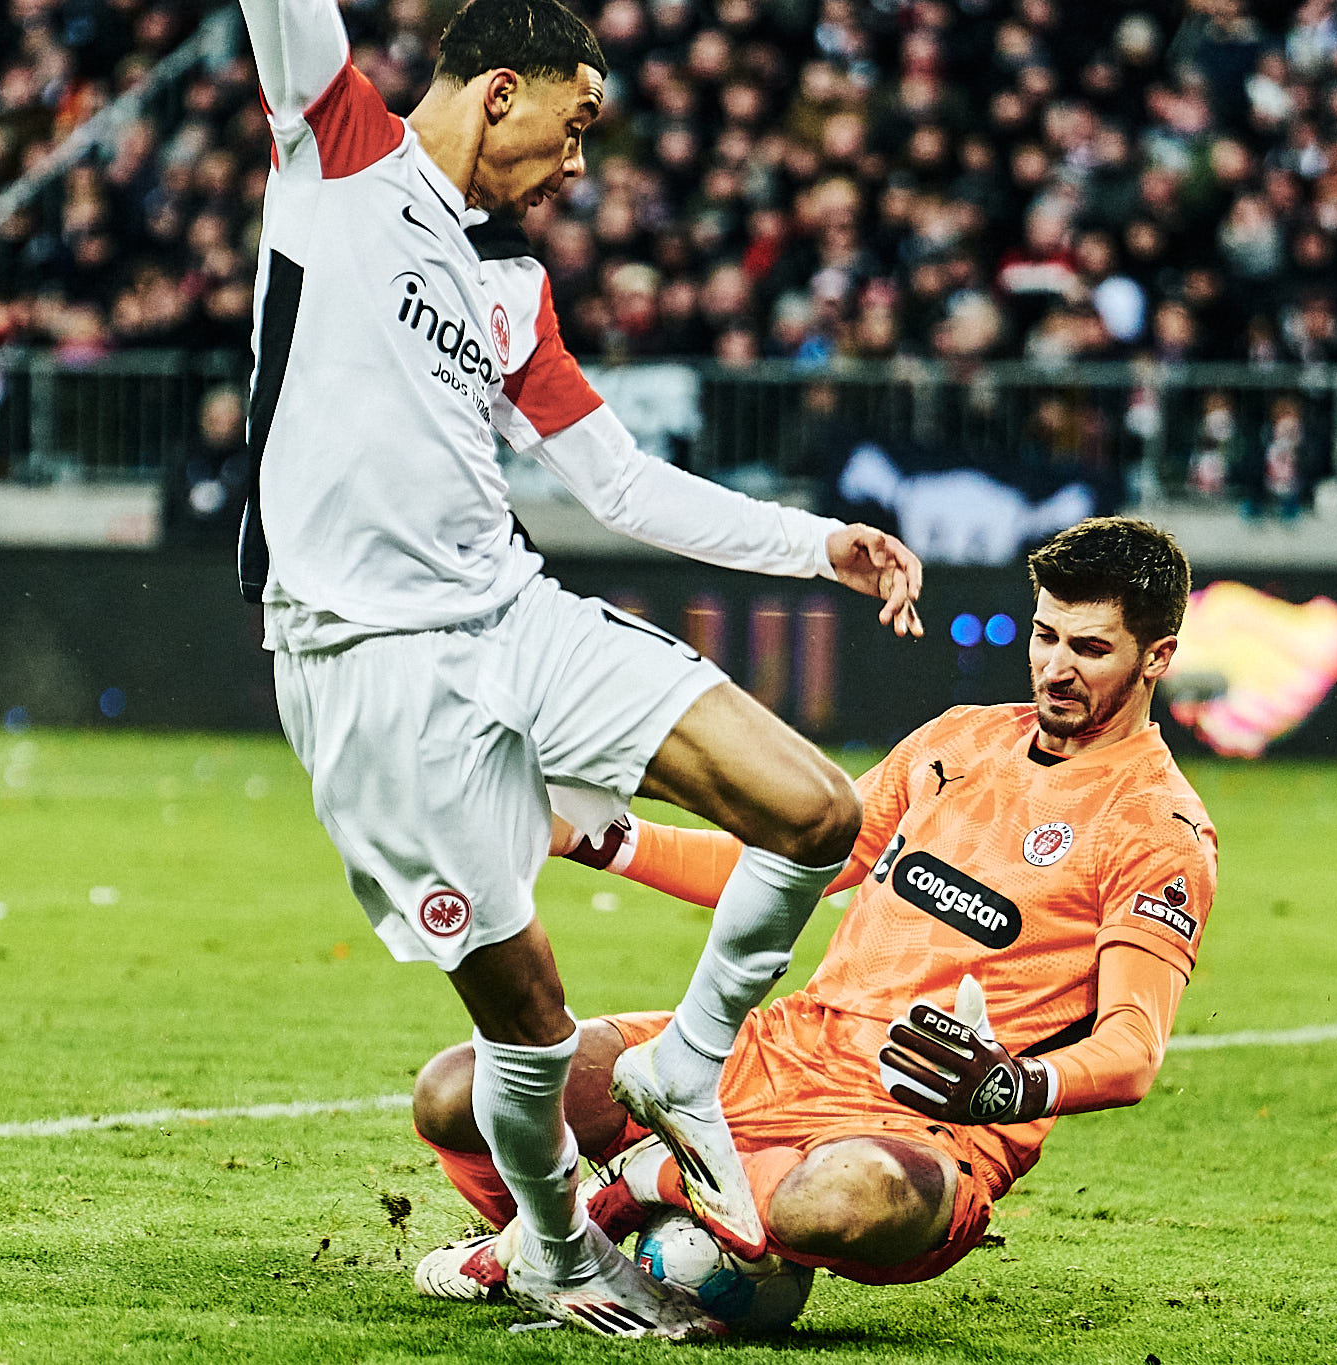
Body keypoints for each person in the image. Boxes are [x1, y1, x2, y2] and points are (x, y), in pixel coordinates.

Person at [233, 0, 923, 1335]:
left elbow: (616, 482)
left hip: (511, 615)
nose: (578, 163)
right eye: (576, 122)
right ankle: (552, 1249)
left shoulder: (507, 285)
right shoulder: (336, 149)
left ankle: (685, 1065)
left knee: (814, 810)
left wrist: (813, 544)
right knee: (531, 1023)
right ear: (501, 90)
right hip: (366, 667)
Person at [411, 517, 1216, 1307]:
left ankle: (622, 1195)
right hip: (786, 1048)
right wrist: (600, 840)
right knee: (458, 1090)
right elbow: (781, 860)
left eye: (1090, 649)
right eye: (1045, 636)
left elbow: (1132, 1049)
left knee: (838, 1201)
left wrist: (1011, 1086)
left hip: (926, 1125)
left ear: (1158, 656)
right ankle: (599, 1241)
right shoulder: (959, 742)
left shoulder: (1158, 827)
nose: (1055, 667)